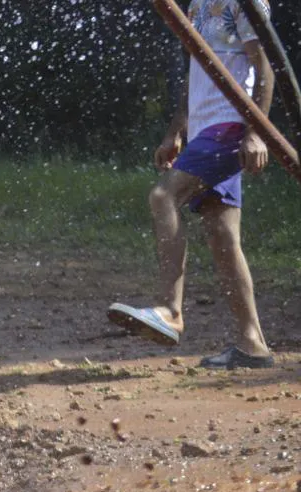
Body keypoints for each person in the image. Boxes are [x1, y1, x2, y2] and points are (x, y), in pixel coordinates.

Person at [107, 0, 275, 369]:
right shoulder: (199, 4)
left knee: (163, 195)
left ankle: (170, 311)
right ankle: (253, 344)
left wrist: (256, 134)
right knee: (222, 236)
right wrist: (176, 131)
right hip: (205, 130)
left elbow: (265, 69)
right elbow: (198, 73)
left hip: (230, 126)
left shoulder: (246, 3)